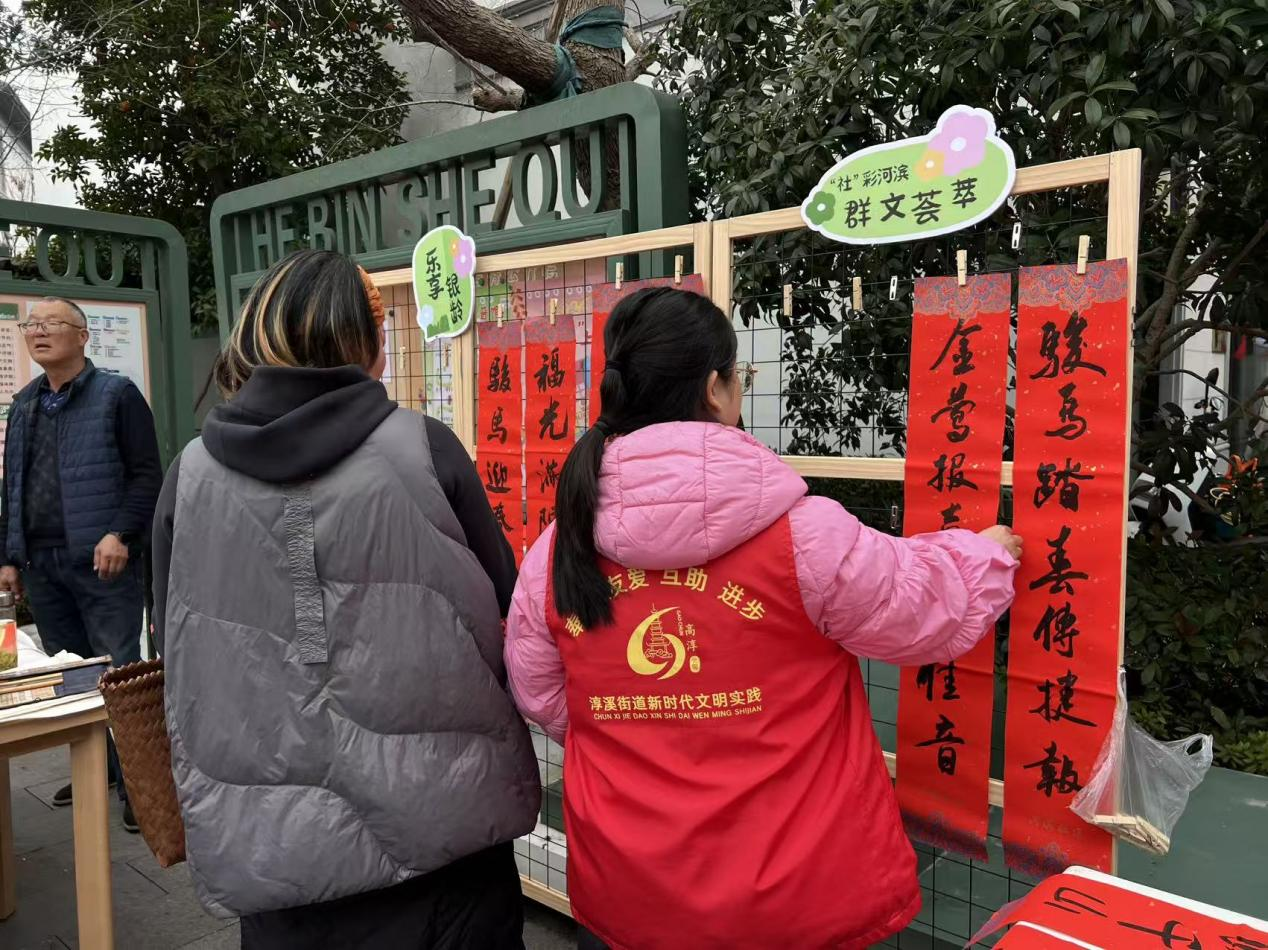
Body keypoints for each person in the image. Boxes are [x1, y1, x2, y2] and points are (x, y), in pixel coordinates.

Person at [505, 288, 1022, 950]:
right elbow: (920, 605)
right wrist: (985, 555)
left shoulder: (556, 551)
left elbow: (544, 695)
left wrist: (648, 725)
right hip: (792, 902)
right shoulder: (804, 536)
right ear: (715, 388)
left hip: (628, 895)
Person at [150, 249, 540, 949]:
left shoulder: (189, 474)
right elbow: (507, 608)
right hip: (442, 836)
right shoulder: (424, 449)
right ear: (365, 342)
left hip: (272, 850)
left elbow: (173, 644)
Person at [0, 296, 162, 833]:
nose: (38, 332)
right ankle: (102, 772)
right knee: (71, 677)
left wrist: (121, 533)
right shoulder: (24, 403)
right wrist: (8, 556)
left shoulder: (116, 394)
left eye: (51, 323)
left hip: (103, 562)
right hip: (43, 566)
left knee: (119, 674)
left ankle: (142, 788)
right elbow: (12, 486)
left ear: (82, 335)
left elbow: (146, 474)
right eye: (32, 325)